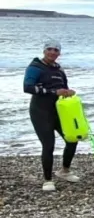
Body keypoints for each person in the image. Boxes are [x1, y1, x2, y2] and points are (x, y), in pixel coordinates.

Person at [23, 40, 79, 192]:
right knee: (49, 145)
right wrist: (53, 92)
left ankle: (64, 171)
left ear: (59, 53)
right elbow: (27, 87)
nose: (53, 52)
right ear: (44, 51)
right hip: (40, 111)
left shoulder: (59, 69)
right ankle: (47, 180)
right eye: (50, 49)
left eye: (56, 50)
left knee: (72, 139)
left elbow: (63, 88)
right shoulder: (35, 67)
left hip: (59, 112)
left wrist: (68, 92)